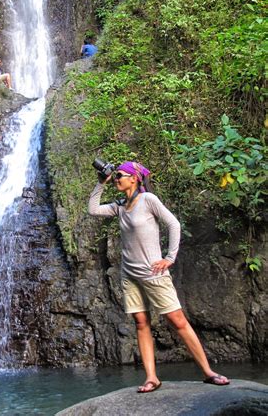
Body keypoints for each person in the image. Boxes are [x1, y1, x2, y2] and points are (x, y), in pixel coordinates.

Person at [88, 161, 230, 393]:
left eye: (120, 175)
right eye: (116, 176)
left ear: (134, 178)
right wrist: (100, 182)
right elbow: (93, 209)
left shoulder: (148, 200)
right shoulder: (120, 205)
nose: (117, 179)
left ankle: (208, 372)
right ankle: (152, 378)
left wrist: (170, 257)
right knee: (141, 323)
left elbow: (174, 224)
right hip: (129, 275)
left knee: (177, 321)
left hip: (153, 273)